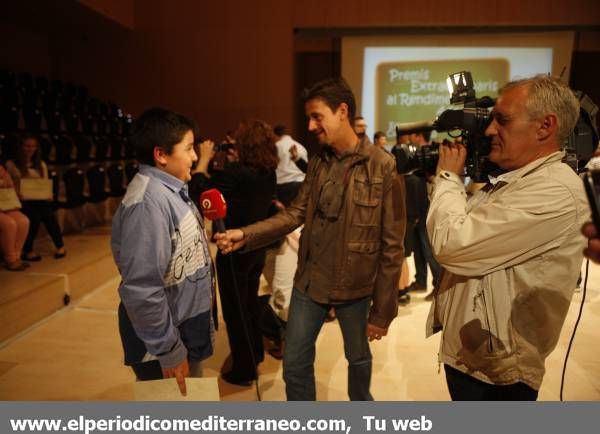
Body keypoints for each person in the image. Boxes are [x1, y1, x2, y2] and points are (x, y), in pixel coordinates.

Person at [215, 77, 406, 400]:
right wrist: (246, 235)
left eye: (318, 116)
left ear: (342, 111)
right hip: (309, 284)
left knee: (358, 359)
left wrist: (383, 311)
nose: (311, 125)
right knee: (294, 365)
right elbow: (293, 214)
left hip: (355, 289)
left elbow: (392, 246)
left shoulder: (382, 166)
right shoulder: (318, 162)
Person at [426, 75, 589, 400]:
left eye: (502, 120)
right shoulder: (518, 181)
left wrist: (447, 178)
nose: (489, 131)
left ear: (545, 127)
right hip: (476, 356)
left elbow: (453, 243)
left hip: (498, 374)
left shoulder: (554, 191)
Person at [111, 108, 214, 396]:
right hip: (165, 340)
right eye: (190, 148)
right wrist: (168, 349)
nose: (195, 157)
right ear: (161, 155)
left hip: (182, 326)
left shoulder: (169, 188)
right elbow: (142, 289)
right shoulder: (147, 204)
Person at [192, 119, 279, 386]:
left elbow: (200, 193)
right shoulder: (268, 172)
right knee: (249, 303)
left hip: (234, 247)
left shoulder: (237, 173)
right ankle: (253, 353)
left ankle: (244, 369)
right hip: (256, 245)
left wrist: (203, 160)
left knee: (235, 310)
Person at [6, 135, 66, 261]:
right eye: (27, 146)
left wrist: (48, 194)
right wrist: (17, 193)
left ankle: (60, 246)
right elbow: (9, 184)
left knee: (49, 216)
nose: (30, 149)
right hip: (21, 200)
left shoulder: (41, 164)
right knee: (34, 217)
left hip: (38, 198)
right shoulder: (11, 164)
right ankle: (28, 250)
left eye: (33, 146)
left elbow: (44, 182)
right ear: (21, 147)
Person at [405, 131, 441, 298]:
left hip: (428, 209)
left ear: (419, 137)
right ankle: (420, 281)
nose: (409, 137)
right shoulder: (418, 156)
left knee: (428, 250)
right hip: (417, 209)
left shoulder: (431, 155)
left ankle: (438, 285)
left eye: (412, 135)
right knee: (419, 250)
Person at [0, 162, 30, 271]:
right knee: (9, 224)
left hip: (5, 205)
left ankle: (17, 256)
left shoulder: (4, 167)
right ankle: (10, 259)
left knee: (23, 221)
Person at [273, 125, 308, 207]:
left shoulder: (276, 146)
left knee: (284, 216)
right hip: (301, 185)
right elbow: (307, 169)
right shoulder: (301, 146)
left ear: (275, 135)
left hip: (282, 186)